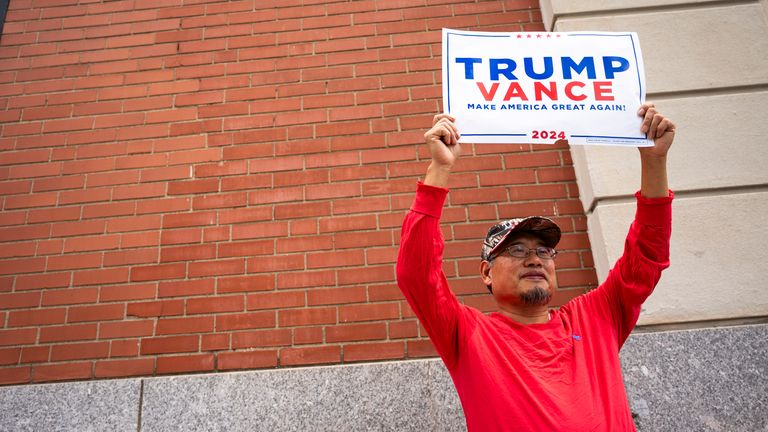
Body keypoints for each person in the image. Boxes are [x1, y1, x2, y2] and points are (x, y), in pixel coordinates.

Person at [396, 103, 675, 431]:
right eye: (516, 250)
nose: (535, 259)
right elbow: (416, 273)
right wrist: (439, 169)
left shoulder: (597, 317)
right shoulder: (469, 334)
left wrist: (654, 160)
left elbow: (646, 256)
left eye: (544, 250)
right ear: (487, 272)